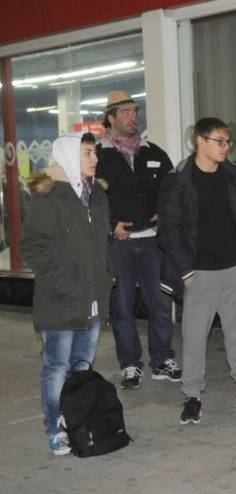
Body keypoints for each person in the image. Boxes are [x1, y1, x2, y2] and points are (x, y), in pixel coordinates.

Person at [158, 117, 236, 425]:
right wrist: (187, 272)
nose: (226, 147)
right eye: (220, 141)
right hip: (199, 274)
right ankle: (192, 396)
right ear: (200, 141)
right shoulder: (179, 179)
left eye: (228, 142)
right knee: (194, 339)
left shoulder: (234, 175)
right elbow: (169, 230)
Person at [20, 133, 115, 455]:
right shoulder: (48, 195)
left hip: (93, 297)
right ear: (70, 155)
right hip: (60, 299)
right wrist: (62, 281)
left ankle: (78, 421)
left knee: (82, 366)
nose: (95, 158)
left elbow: (103, 241)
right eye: (87, 153)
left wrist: (108, 274)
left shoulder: (97, 194)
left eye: (95, 152)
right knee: (57, 367)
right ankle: (55, 427)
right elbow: (31, 246)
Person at [96, 90, 181, 389]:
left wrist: (164, 215)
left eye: (135, 111)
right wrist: (110, 226)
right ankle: (130, 364)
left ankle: (162, 360)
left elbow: (173, 191)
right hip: (118, 245)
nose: (133, 117)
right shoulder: (98, 156)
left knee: (161, 302)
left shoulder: (154, 153)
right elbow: (90, 200)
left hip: (153, 243)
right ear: (110, 118)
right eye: (126, 112)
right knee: (121, 306)